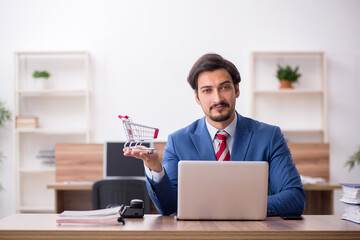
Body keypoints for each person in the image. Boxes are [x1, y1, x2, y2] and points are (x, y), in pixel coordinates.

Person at [124, 53, 306, 216]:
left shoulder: (269, 136)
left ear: (237, 89)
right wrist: (154, 166)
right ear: (197, 97)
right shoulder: (178, 141)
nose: (217, 99)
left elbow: (295, 198)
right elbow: (168, 207)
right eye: (207, 90)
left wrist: (236, 207)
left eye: (224, 87)